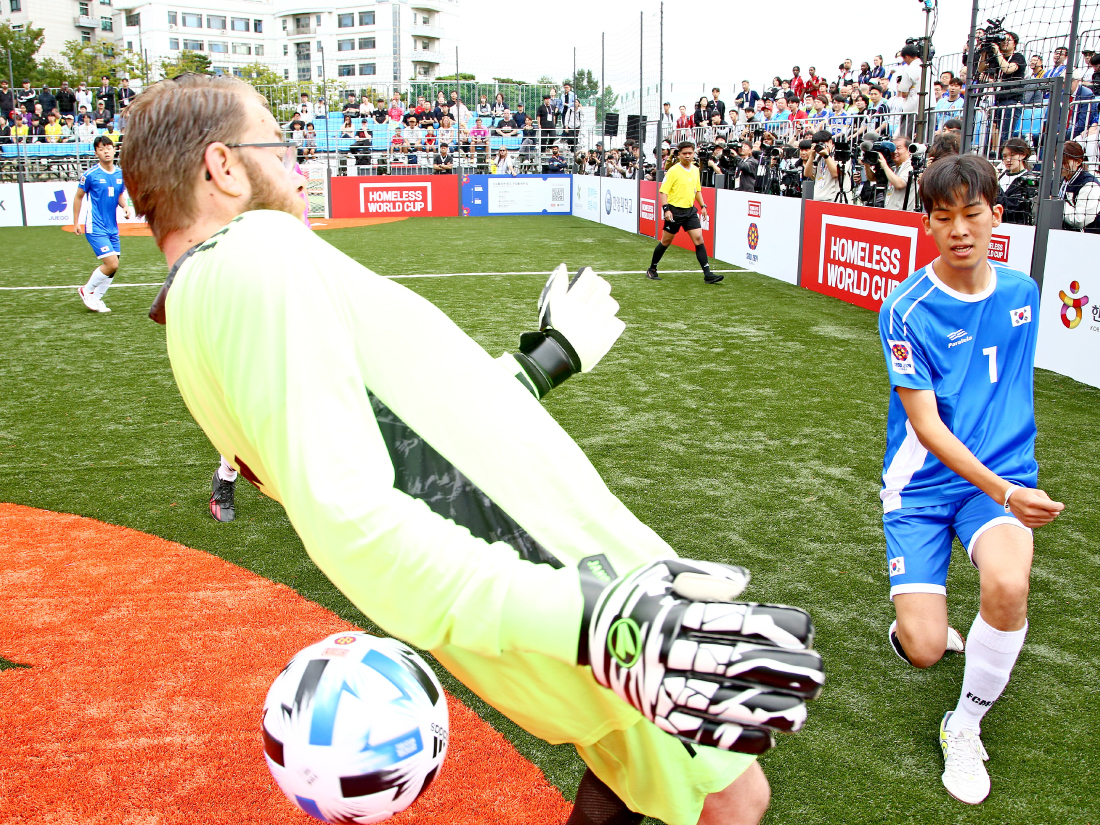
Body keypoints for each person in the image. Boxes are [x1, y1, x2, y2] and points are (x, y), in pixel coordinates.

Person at [125, 72, 823, 825]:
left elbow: (414, 430)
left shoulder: (204, 300)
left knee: (632, 756)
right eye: (277, 138)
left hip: (542, 582)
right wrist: (604, 621)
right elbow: (350, 512)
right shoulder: (256, 254)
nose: (298, 159)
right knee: (734, 797)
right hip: (559, 574)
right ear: (223, 166)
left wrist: (542, 362)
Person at [878, 153, 1064, 806]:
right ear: (928, 225)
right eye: (943, 216)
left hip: (1001, 477)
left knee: (1009, 582)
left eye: (972, 213)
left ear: (996, 217)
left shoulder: (1023, 293)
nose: (959, 228)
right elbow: (926, 426)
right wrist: (1007, 490)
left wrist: (1009, 484)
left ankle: (964, 725)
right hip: (923, 488)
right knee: (925, 648)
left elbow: (1007, 390)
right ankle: (910, 621)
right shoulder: (904, 308)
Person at [646, 140, 721, 284]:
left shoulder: (695, 169)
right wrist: (666, 209)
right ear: (679, 154)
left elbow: (697, 190)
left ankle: (707, 274)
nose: (688, 156)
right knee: (666, 241)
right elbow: (663, 191)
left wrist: (703, 205)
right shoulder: (673, 170)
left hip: (690, 211)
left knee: (699, 239)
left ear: (694, 154)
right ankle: (652, 269)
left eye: (690, 153)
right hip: (674, 211)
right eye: (684, 153)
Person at [74, 136, 132, 314]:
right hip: (95, 226)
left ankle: (96, 298)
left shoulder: (120, 174)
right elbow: (78, 197)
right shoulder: (90, 175)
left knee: (114, 266)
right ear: (96, 153)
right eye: (101, 149)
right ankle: (87, 290)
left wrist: (125, 206)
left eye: (108, 147)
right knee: (112, 263)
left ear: (114, 150)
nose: (106, 151)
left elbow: (120, 194)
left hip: (112, 227)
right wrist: (75, 222)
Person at [1058, 140, 1100, 233]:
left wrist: (1057, 203)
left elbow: (1080, 219)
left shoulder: (1089, 185)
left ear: (1078, 162)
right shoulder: (1058, 181)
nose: (1059, 165)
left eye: (1064, 161)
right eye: (1056, 161)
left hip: (1084, 239)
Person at [997, 138, 1036, 225]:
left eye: (1012, 155)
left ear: (1023, 155)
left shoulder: (1028, 179)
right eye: (1004, 156)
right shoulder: (1002, 176)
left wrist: (996, 185)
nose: (1008, 160)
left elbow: (1011, 209)